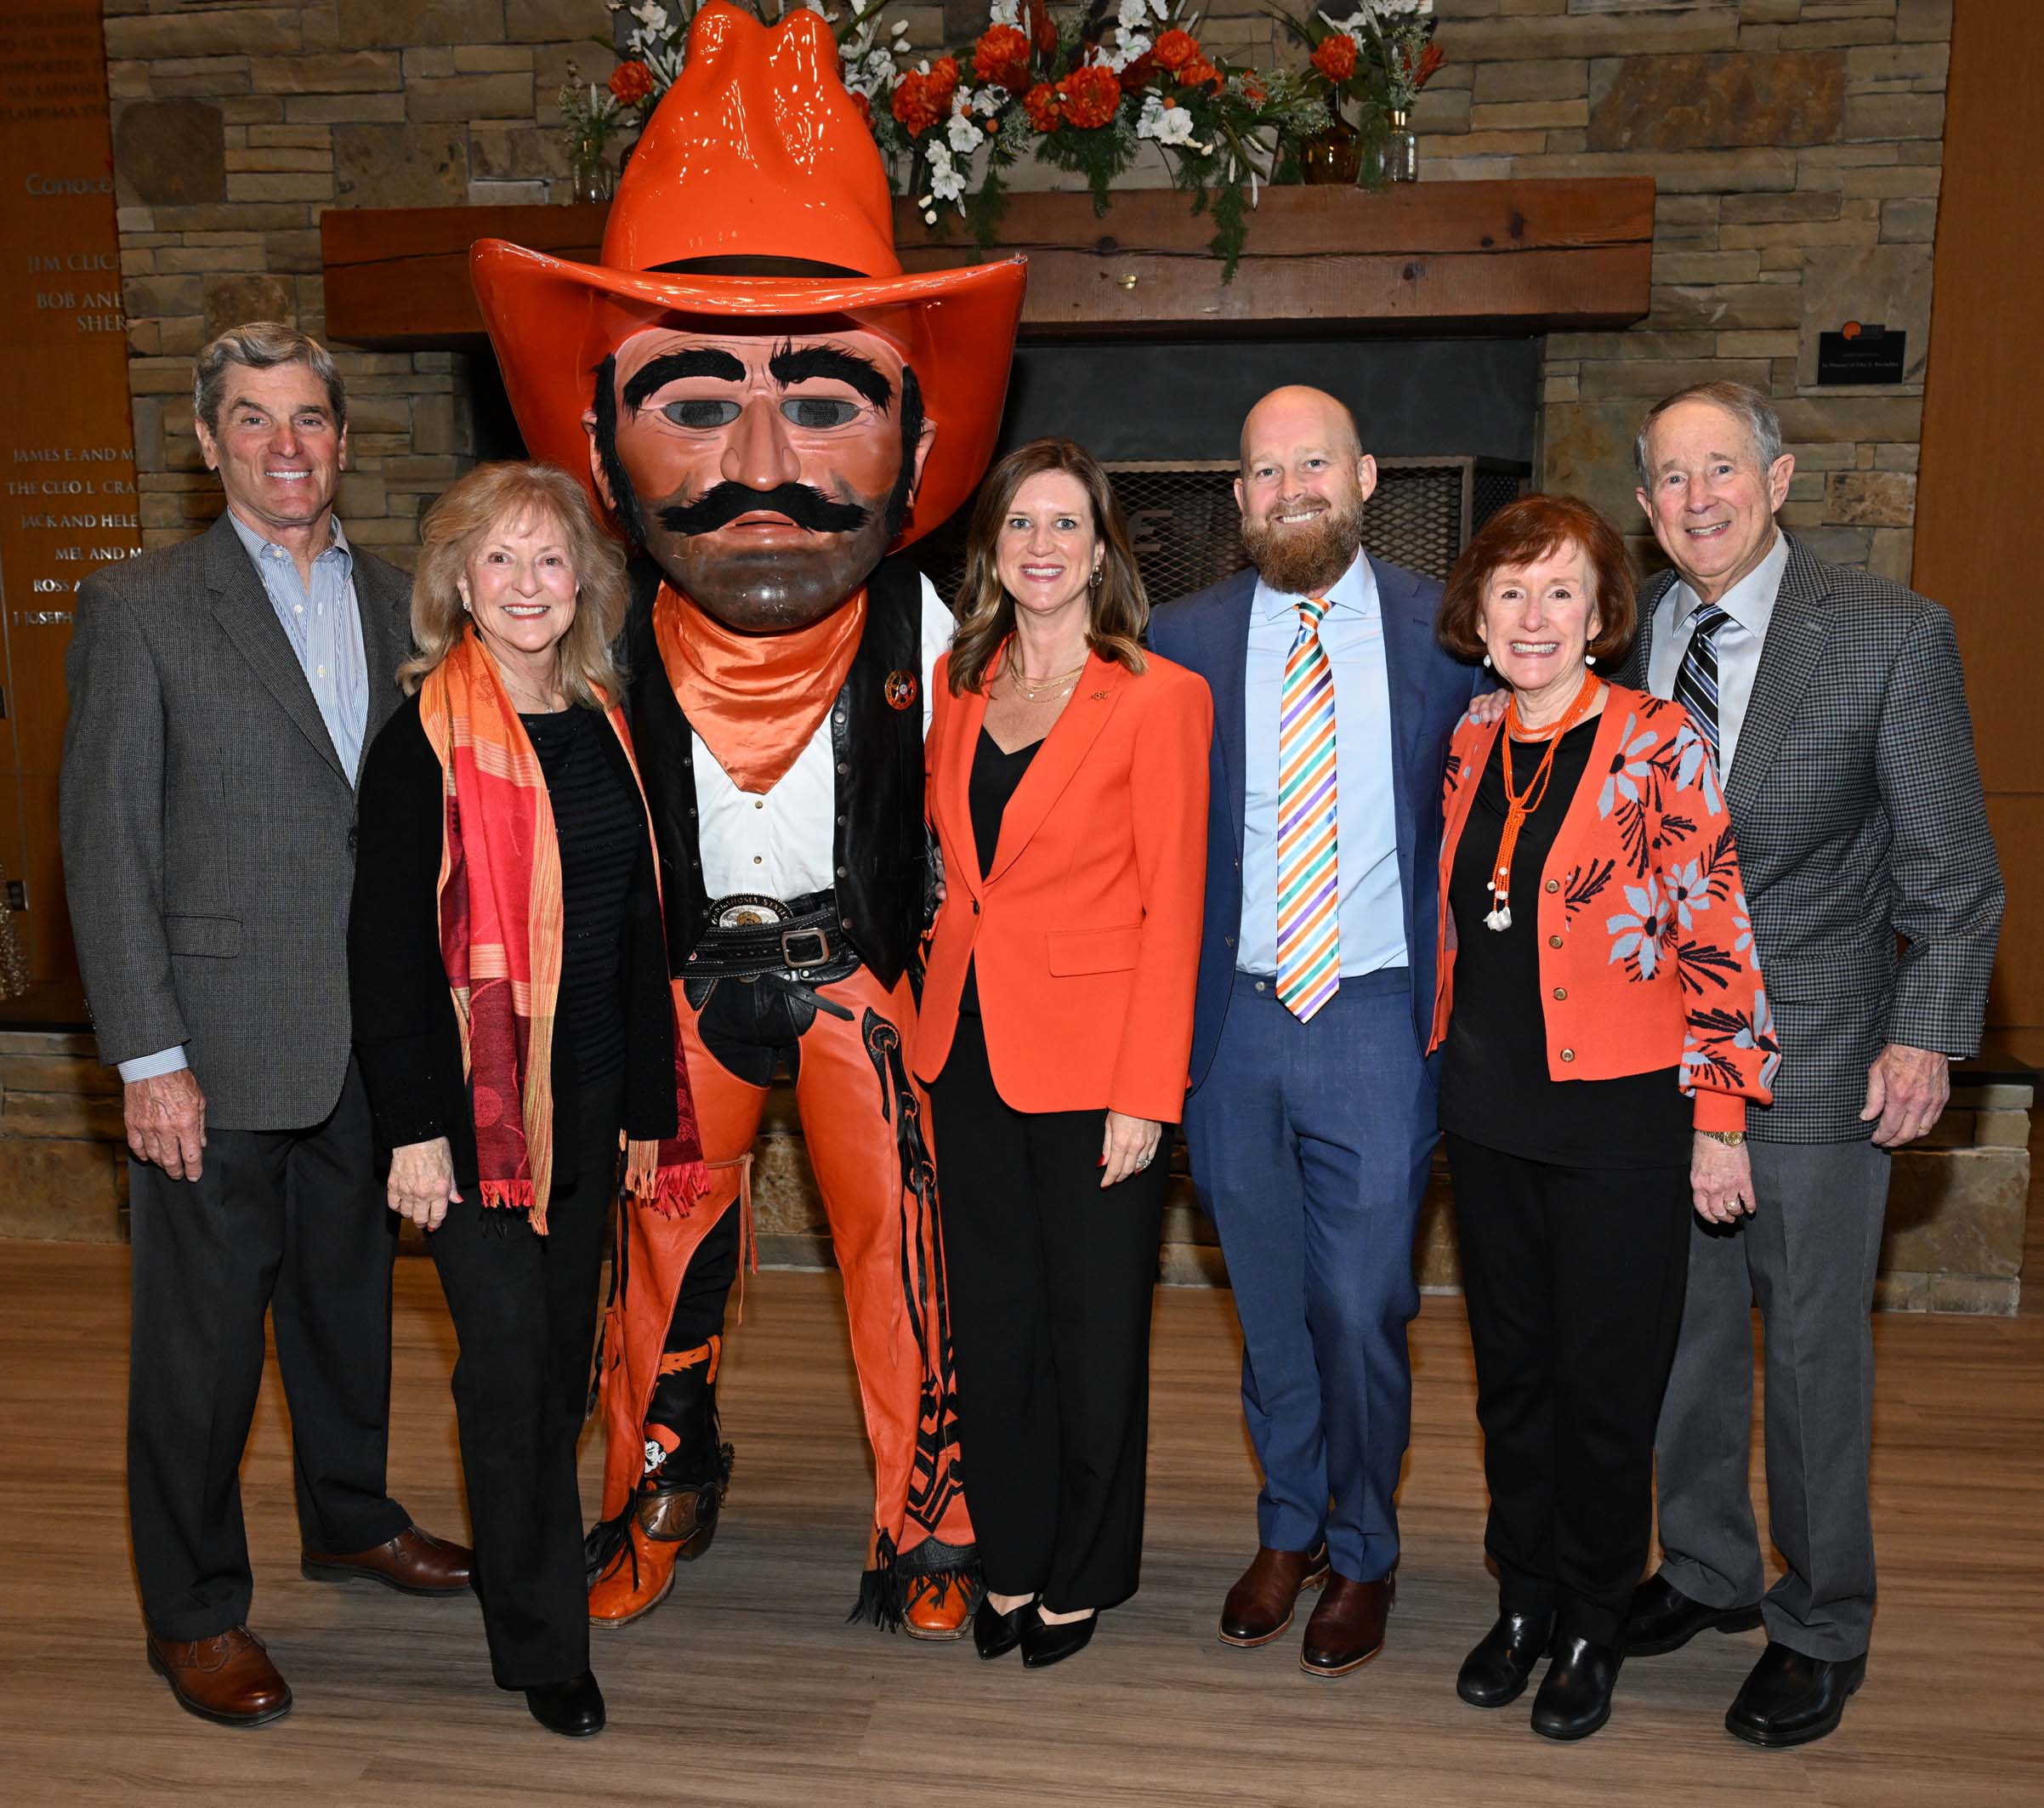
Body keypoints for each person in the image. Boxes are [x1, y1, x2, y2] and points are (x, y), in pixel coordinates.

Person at [468, 2, 1027, 1637]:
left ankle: (929, 1515)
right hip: (679, 996)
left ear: (917, 431)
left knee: (900, 1254)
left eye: (827, 400)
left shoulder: (945, 641)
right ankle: (658, 1475)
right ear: (597, 436)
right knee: (656, 1265)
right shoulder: (580, 650)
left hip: (867, 986)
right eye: (698, 405)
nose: (764, 460)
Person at [59, 322, 472, 1730]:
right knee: (203, 1350)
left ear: (344, 443)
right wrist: (148, 1055)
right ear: (208, 442)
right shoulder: (142, 604)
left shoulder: (411, 604)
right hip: (217, 1050)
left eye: (308, 420)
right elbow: (106, 844)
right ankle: (194, 1610)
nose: (284, 446)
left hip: (372, 1040)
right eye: (252, 421)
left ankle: (350, 1512)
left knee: (349, 1312)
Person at [1621, 382, 2002, 1748]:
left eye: (1720, 467)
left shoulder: (1891, 636)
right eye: (1669, 477)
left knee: (1815, 1360)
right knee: (1688, 1338)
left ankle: (1821, 1615)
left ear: (1778, 479)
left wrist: (1927, 1029)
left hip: (1824, 1058)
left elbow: (1954, 868)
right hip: (1658, 1062)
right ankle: (1712, 1566)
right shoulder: (1636, 636)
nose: (1696, 498)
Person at [348, 462, 706, 1737]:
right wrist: (414, 1131)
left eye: (549, 559)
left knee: (556, 1377)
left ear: (584, 581)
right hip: (476, 1126)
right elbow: (386, 953)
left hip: (590, 1105)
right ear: (455, 581)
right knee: (507, 1378)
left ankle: (524, 1559)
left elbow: (632, 925)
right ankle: (543, 1643)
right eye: (497, 560)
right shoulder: (424, 741)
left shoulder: (604, 719)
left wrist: (644, 1107)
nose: (526, 584)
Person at [1147, 385, 1485, 1679]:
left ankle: (1367, 1544)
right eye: (1264, 469)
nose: (1291, 487)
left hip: (1376, 1013)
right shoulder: (1179, 640)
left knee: (1360, 1302)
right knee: (1273, 1306)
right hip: (1231, 1022)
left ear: (1365, 477)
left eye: (1314, 462)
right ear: (1237, 501)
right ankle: (1289, 1523)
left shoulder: (1446, 633)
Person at [1428, 493, 1776, 1740]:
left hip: (1623, 1121)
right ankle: (1520, 1598)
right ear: (1477, 612)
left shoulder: (1657, 741)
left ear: (1601, 616)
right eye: (1511, 591)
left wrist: (1723, 1114)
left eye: (1560, 591)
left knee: (1604, 1386)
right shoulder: (1471, 737)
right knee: (1512, 1380)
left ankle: (1589, 1616)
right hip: (1486, 1113)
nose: (1533, 616)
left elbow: (1715, 930)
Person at [917, 441, 1211, 1669]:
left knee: (1093, 1332)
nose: (1040, 546)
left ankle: (1085, 1567)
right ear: (993, 549)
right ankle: (1015, 1550)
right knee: (993, 1327)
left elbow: (1174, 904)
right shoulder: (958, 682)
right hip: (966, 1050)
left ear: (1102, 549)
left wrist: (1148, 1093)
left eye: (1064, 525)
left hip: (1099, 1069)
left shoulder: (1159, 695)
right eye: (1019, 525)